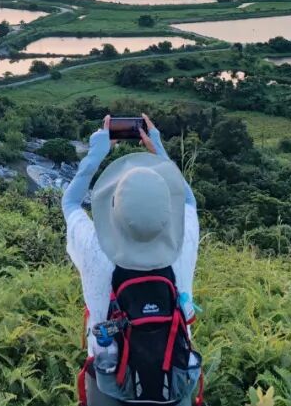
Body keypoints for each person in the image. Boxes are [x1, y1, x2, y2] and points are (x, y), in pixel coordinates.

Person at [64, 114, 202, 406]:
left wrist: (96, 153)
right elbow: (189, 200)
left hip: (111, 381)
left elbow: (71, 202)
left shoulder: (95, 248)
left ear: (114, 207)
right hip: (173, 381)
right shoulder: (184, 239)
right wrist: (158, 149)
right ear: (168, 207)